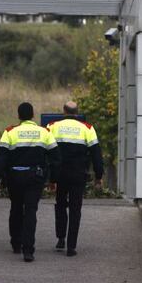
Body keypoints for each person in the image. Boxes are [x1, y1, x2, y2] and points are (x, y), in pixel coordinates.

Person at [0, 102, 60, 262]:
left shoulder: (10, 132)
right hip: (35, 178)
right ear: (32, 115)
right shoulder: (44, 132)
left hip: (14, 177)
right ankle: (28, 250)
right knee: (30, 211)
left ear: (19, 116)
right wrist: (53, 179)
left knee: (15, 208)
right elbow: (56, 158)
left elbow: (1, 157)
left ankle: (16, 243)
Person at [47, 101, 104, 257]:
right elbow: (96, 154)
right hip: (78, 175)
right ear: (77, 112)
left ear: (64, 111)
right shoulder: (88, 128)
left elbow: (46, 151)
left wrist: (50, 178)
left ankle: (60, 238)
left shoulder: (52, 126)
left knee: (60, 205)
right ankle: (71, 247)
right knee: (75, 209)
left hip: (60, 175)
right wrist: (98, 176)